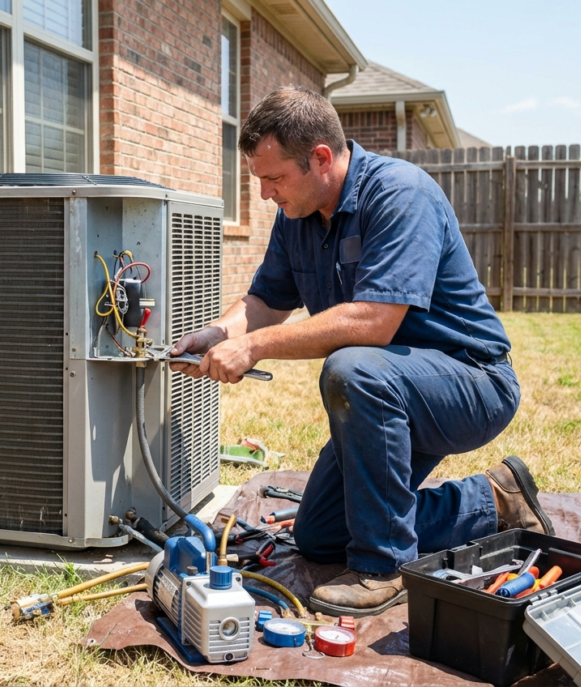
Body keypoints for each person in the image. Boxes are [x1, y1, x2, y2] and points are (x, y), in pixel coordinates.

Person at [170, 87, 554, 617]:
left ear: (321, 158)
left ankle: (382, 567)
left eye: (273, 178)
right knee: (320, 535)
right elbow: (266, 300)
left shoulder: (400, 194)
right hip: (390, 391)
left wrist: (253, 347)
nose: (263, 195)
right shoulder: (297, 217)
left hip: (471, 382)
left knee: (351, 367)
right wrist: (220, 333)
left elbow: (373, 322)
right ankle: (494, 500)